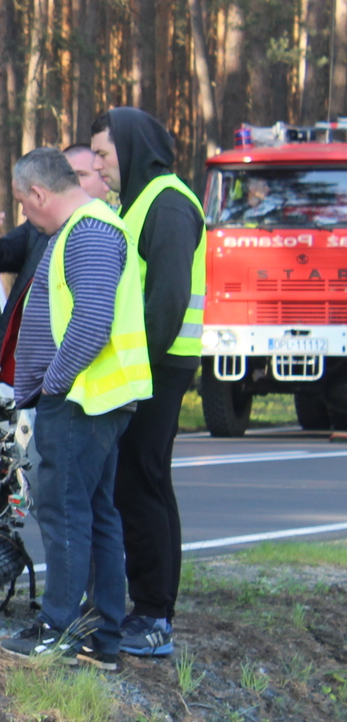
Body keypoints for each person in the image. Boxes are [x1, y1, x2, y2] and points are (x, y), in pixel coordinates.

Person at [0, 147, 151, 670]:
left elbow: (91, 321)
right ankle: (100, 638)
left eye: (23, 203)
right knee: (96, 513)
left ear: (39, 193)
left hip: (81, 399)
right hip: (97, 397)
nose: (24, 215)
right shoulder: (89, 228)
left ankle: (58, 631)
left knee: (63, 511)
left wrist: (53, 385)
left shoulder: (88, 231)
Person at [91, 107, 206, 658]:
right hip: (147, 365)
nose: (98, 166)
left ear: (132, 148)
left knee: (140, 483)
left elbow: (168, 299)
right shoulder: (139, 202)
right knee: (143, 482)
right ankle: (153, 609)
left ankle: (155, 616)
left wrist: (137, 373)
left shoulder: (167, 203)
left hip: (159, 366)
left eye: (103, 154)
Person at [0, 144, 113, 374]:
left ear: (104, 181)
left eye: (81, 175)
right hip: (15, 373)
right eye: (67, 174)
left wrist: (52, 383)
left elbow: (92, 326)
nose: (69, 183)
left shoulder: (102, 234)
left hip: (66, 380)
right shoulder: (40, 229)